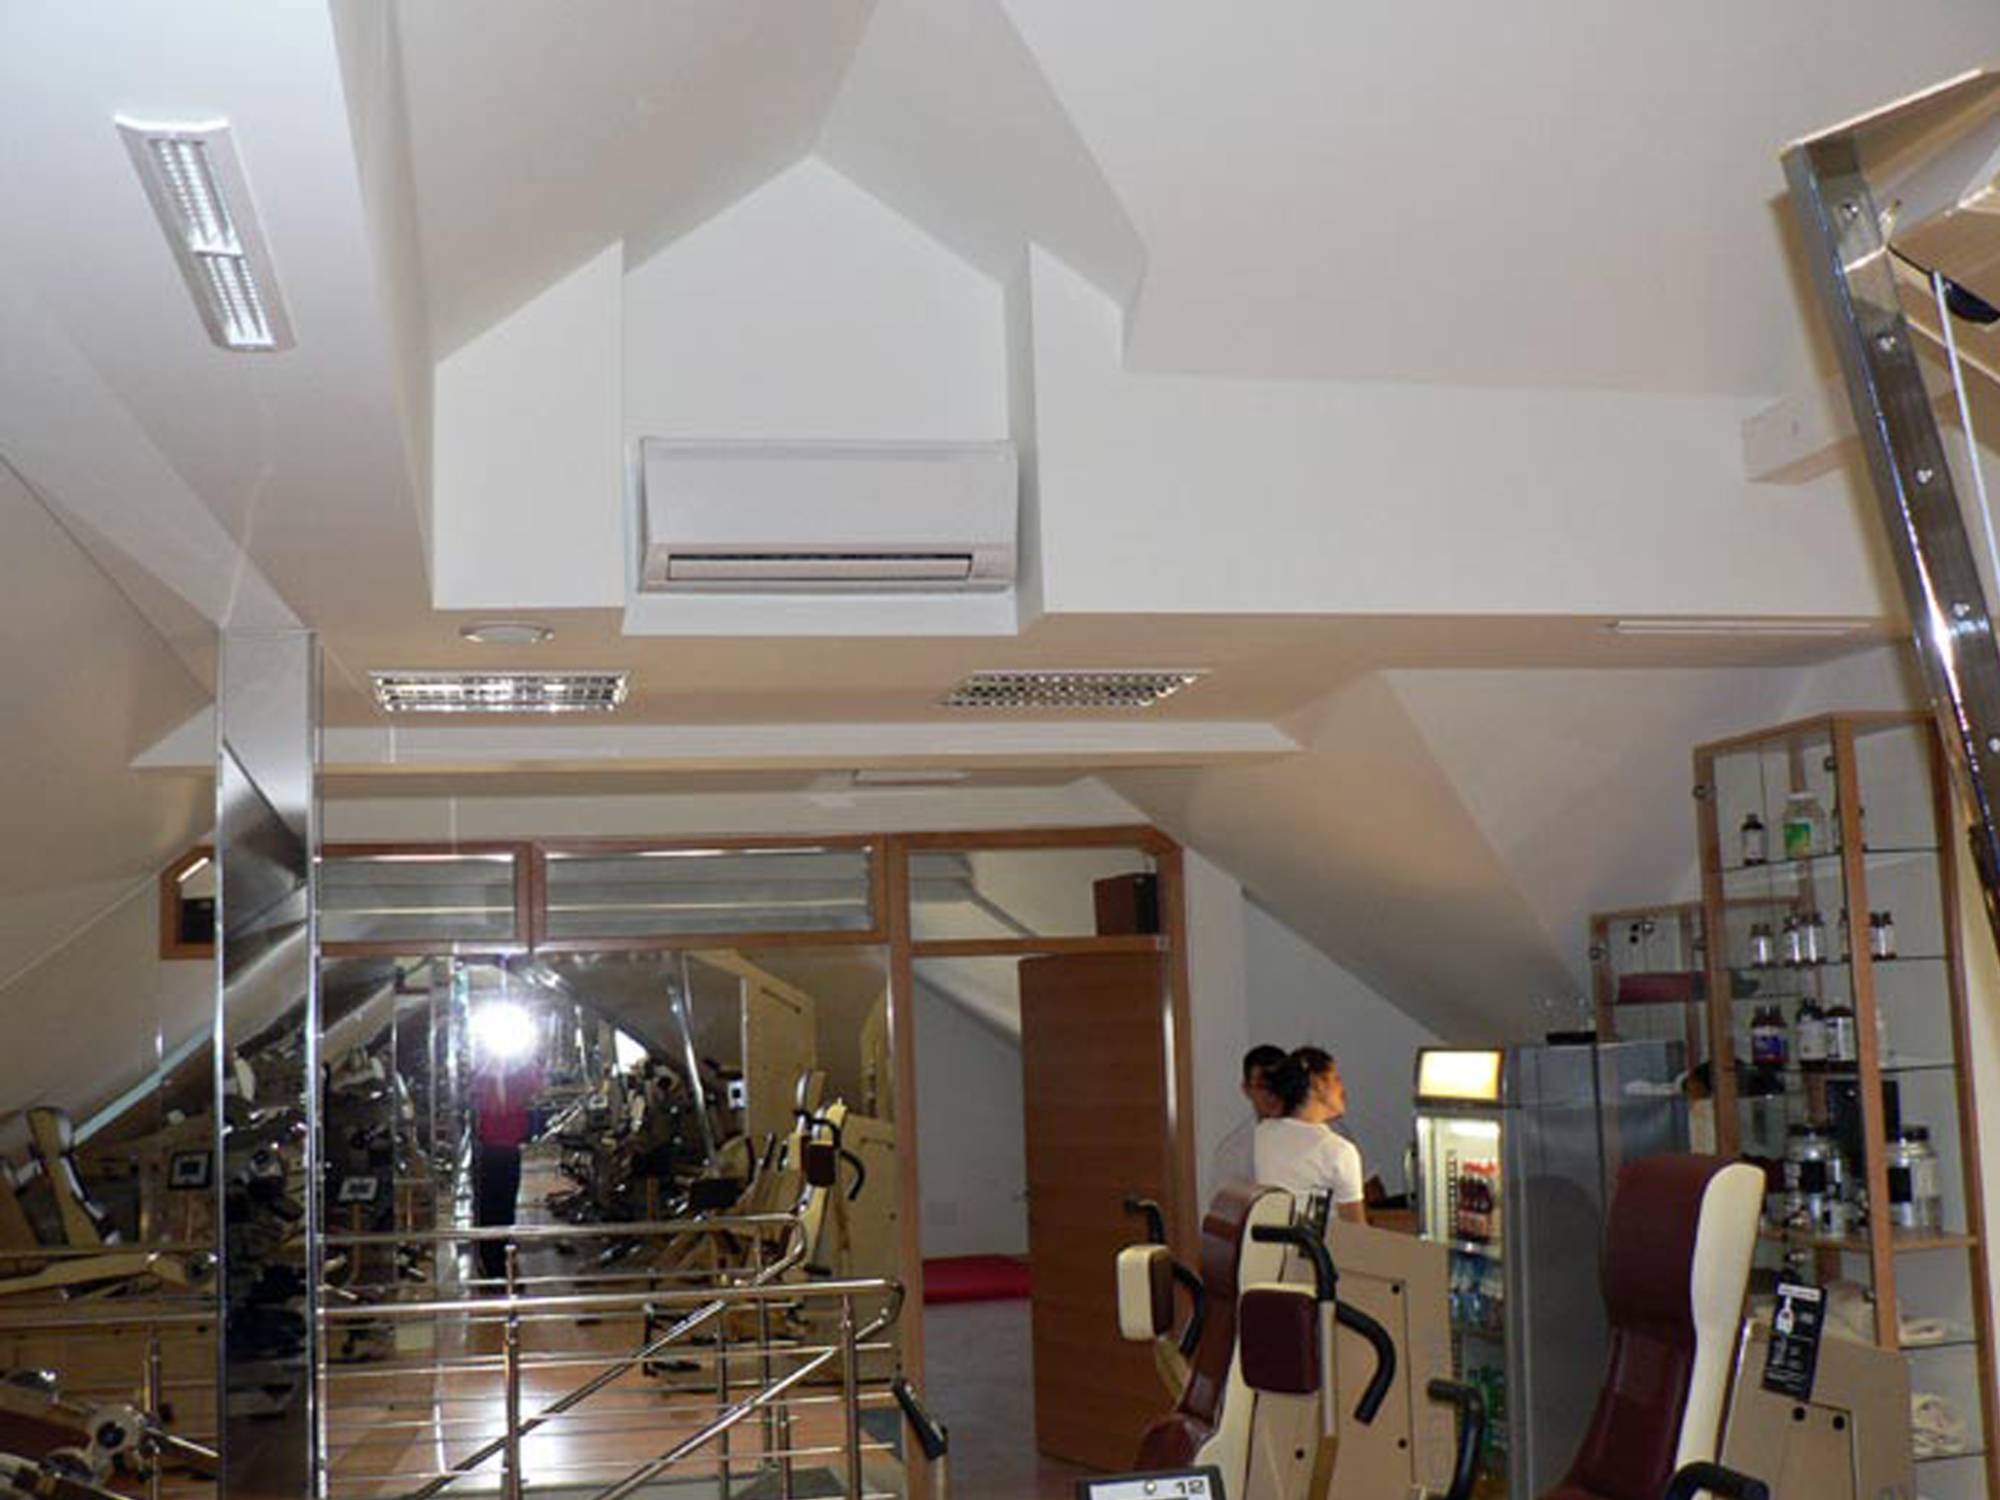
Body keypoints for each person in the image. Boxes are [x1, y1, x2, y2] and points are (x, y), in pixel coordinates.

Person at [1254, 1046, 1367, 1223]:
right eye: (1336, 1079)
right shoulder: (1338, 1151)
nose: (1342, 1088)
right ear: (1317, 1084)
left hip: (1273, 1239)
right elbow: (1356, 1229)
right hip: (1322, 1240)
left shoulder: (1263, 1133)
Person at [472, 1048, 545, 1282]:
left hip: (509, 1150)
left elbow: (537, 1087)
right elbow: (478, 1096)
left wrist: (524, 1058)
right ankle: (490, 1261)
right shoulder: (484, 1076)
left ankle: (503, 1254)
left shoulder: (518, 1076)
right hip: (489, 1150)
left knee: (506, 1206)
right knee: (489, 1208)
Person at [1210, 1044, 1288, 1187]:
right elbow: (1225, 1199)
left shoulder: (1321, 1136)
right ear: (1246, 1089)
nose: (1271, 1094)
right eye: (1262, 1086)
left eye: (1278, 1084)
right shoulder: (1233, 1151)